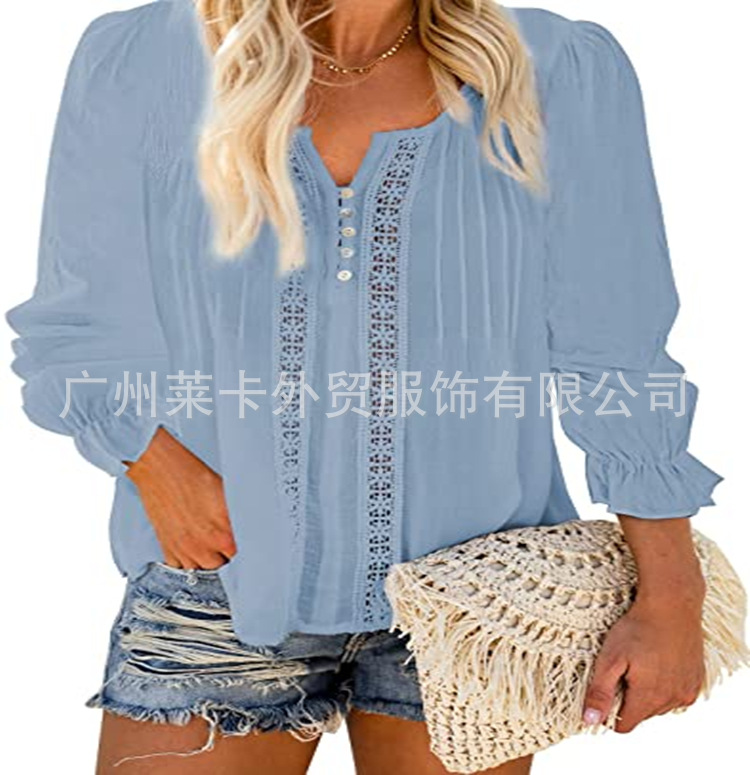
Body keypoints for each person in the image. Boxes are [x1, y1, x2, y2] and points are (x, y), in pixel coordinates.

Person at [5, 1, 723, 773]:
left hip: (479, 595)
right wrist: (155, 466)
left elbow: (617, 351)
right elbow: (78, 324)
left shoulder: (557, 71)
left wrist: (672, 597)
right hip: (220, 583)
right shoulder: (145, 57)